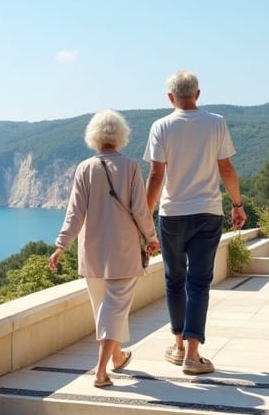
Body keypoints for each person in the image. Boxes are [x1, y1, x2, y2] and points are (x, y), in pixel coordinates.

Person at [143, 70, 246, 376]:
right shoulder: (216, 123)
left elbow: (157, 176)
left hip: (172, 215)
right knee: (199, 283)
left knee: (174, 280)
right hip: (208, 213)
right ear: (198, 94)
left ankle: (176, 346)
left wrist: (145, 220)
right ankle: (192, 354)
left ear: (170, 97)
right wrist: (237, 204)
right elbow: (226, 168)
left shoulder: (160, 126)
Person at [49, 109, 160, 388]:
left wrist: (61, 245)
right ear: (121, 135)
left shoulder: (84, 168)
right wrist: (150, 237)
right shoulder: (130, 166)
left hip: (93, 253)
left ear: (94, 136)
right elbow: (139, 209)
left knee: (104, 309)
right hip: (123, 251)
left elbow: (75, 213)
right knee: (114, 308)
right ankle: (100, 371)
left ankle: (118, 356)